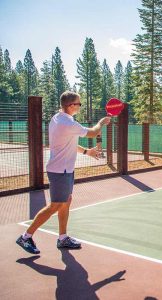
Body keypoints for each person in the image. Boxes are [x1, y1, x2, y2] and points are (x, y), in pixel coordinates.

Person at [16, 91, 111, 254]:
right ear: (71, 105)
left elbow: (69, 143)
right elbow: (94, 132)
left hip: (65, 170)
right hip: (60, 171)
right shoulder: (67, 123)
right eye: (79, 104)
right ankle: (25, 237)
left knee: (66, 201)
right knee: (55, 206)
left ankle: (62, 238)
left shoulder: (58, 119)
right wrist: (101, 123)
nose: (80, 107)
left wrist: (87, 152)